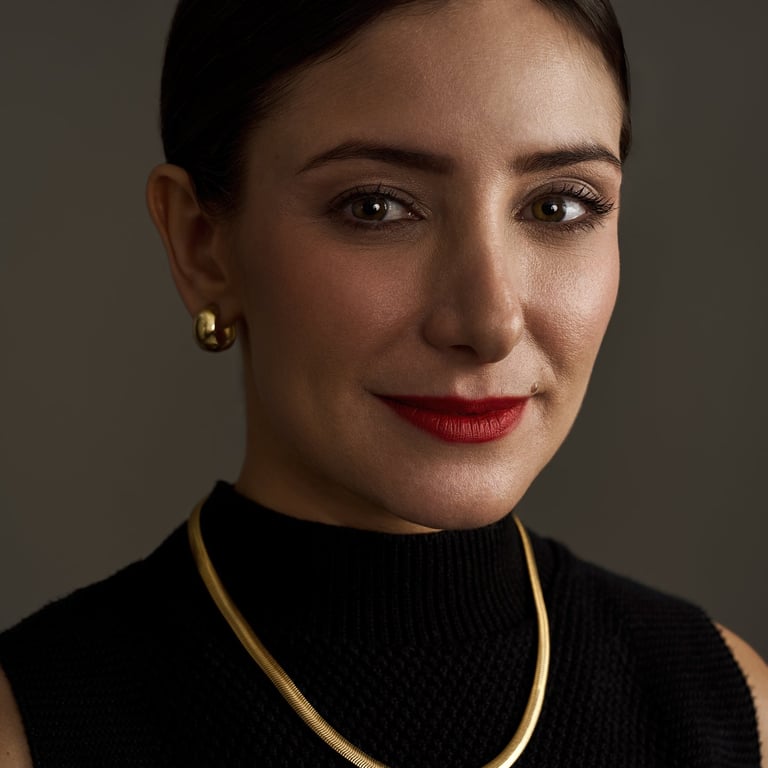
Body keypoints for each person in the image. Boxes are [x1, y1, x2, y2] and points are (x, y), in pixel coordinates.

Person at [0, 0, 766, 765]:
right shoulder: (29, 731)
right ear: (202, 247)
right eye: (376, 207)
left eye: (557, 206)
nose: (489, 322)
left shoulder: (731, 713)